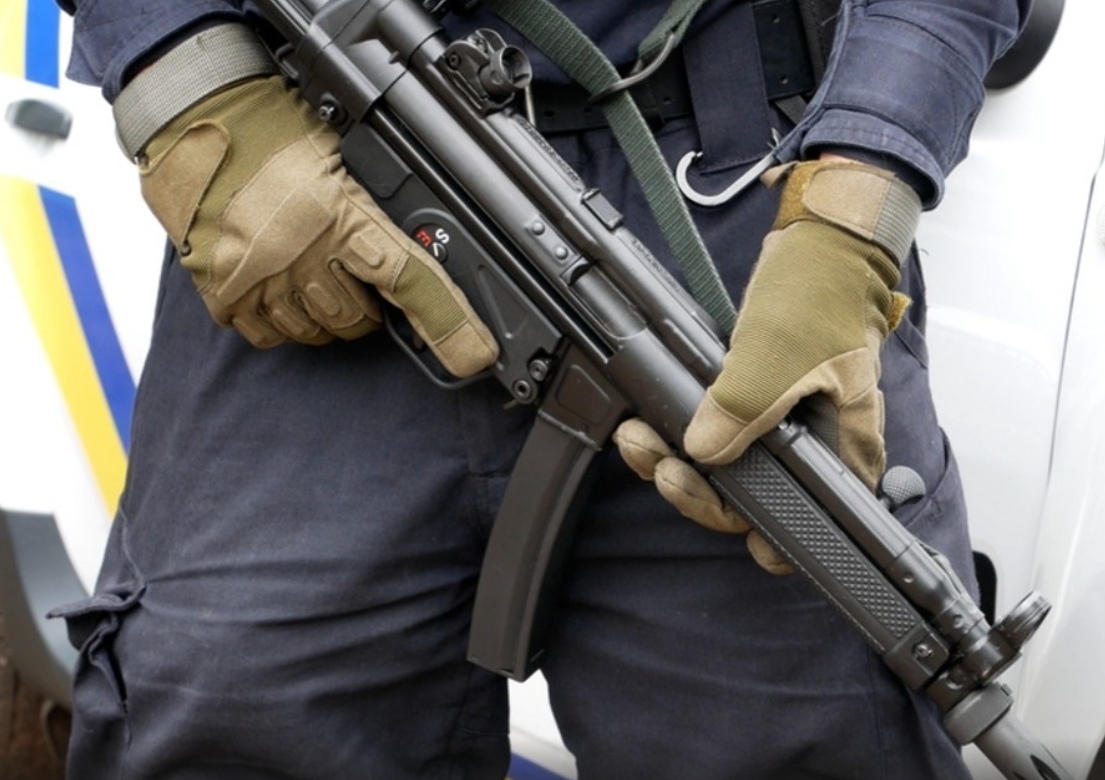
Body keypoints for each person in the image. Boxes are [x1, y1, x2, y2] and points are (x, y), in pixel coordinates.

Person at [50, 0, 1025, 778]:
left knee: (810, 729)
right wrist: (195, 86)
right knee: (236, 717)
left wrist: (854, 210)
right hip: (323, 172)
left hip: (738, 224)